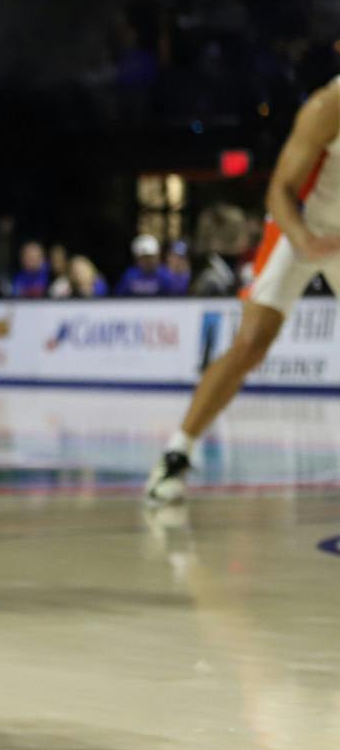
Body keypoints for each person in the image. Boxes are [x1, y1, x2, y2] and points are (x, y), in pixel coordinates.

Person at [149, 85, 340, 503]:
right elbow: (280, 190)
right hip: (300, 227)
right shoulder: (328, 106)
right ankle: (177, 453)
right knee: (251, 344)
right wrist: (305, 240)